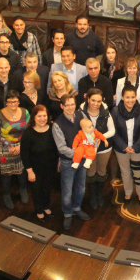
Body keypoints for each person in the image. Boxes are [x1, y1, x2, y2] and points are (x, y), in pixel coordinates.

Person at [53, 94, 90, 229]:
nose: (70, 107)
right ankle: (67, 213)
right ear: (61, 106)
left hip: (83, 160)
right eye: (67, 105)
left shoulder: (82, 116)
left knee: (81, 187)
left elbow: (90, 133)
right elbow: (62, 148)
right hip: (68, 162)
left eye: (72, 104)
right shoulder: (57, 124)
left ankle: (77, 207)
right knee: (67, 190)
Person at [111, 85, 140, 205]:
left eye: (133, 97)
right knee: (125, 172)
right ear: (122, 97)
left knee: (138, 172)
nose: (130, 100)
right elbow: (114, 132)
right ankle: (127, 192)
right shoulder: (116, 111)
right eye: (127, 97)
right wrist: (124, 146)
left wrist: (136, 147)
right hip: (121, 148)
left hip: (138, 148)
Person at [0, 91, 30, 210]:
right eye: (10, 102)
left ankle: (23, 189)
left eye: (15, 101)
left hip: (22, 146)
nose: (13, 104)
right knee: (6, 173)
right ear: (6, 102)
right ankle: (6, 194)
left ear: (18, 102)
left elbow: (29, 131)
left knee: (22, 170)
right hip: (5, 147)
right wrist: (9, 145)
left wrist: (20, 146)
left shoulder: (25, 112)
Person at [77, 89, 115, 209]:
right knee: (91, 172)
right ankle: (93, 196)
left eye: (99, 101)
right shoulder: (80, 113)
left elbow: (112, 130)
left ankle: (100, 195)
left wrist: (100, 138)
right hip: (88, 149)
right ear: (88, 99)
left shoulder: (106, 112)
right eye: (93, 100)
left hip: (104, 148)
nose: (95, 103)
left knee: (102, 172)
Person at [20, 105, 57, 220]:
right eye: (39, 116)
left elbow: (57, 148)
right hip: (35, 168)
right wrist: (29, 171)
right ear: (34, 118)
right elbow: (24, 154)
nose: (42, 118)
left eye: (44, 116)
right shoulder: (28, 133)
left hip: (50, 166)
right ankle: (39, 209)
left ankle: (46, 206)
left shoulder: (52, 128)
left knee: (47, 188)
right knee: (37, 190)